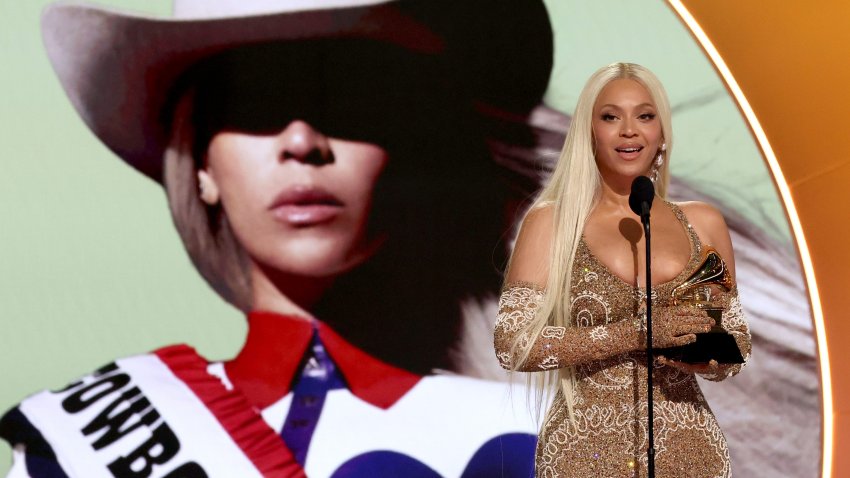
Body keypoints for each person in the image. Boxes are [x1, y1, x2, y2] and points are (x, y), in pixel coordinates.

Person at [0, 0, 555, 476]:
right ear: (201, 165)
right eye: (255, 101)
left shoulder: (547, 434)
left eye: (348, 99)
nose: (301, 140)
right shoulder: (79, 450)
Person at [494, 63, 752, 477]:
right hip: (582, 455)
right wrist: (637, 332)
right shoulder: (552, 222)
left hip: (690, 453)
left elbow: (735, 342)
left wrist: (699, 352)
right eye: (611, 116)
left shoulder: (704, 223)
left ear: (662, 132)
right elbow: (514, 343)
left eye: (645, 116)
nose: (629, 130)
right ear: (589, 132)